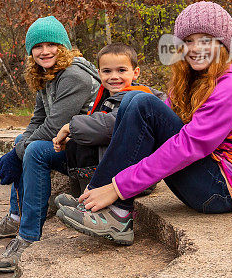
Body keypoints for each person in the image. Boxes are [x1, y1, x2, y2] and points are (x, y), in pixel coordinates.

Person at [57, 1, 232, 245]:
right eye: (189, 41)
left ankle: (117, 214)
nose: (195, 48)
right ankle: (93, 200)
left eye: (206, 40)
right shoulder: (189, 80)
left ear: (223, 45)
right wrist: (101, 186)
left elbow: (186, 146)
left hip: (222, 189)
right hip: (204, 177)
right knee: (135, 99)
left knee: (143, 103)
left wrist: (117, 188)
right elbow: (139, 130)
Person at [0, 16, 100, 272]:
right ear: (30, 51)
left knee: (33, 150)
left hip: (91, 154)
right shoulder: (47, 75)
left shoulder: (74, 76)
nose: (45, 51)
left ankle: (28, 238)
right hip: (70, 145)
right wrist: (18, 146)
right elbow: (37, 120)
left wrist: (17, 153)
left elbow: (53, 127)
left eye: (51, 44)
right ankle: (16, 218)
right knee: (22, 141)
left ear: (64, 46)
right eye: (38, 46)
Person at [52, 43, 165, 201]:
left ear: (135, 73)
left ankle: (89, 198)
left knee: (83, 136)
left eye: (121, 70)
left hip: (134, 173)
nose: (114, 76)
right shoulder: (104, 98)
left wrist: (70, 127)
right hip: (112, 165)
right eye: (107, 71)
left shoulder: (138, 97)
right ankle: (82, 196)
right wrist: (73, 137)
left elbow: (114, 124)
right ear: (99, 73)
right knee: (76, 144)